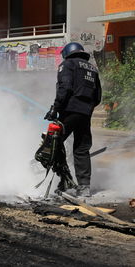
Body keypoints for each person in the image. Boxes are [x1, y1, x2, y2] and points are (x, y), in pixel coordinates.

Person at [44, 42, 102, 197]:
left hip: (69, 110)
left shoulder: (67, 64)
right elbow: (98, 97)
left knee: (53, 144)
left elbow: (65, 87)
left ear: (67, 53)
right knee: (81, 149)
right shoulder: (93, 69)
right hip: (85, 113)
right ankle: (84, 187)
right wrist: (86, 108)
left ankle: (63, 181)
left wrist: (55, 109)